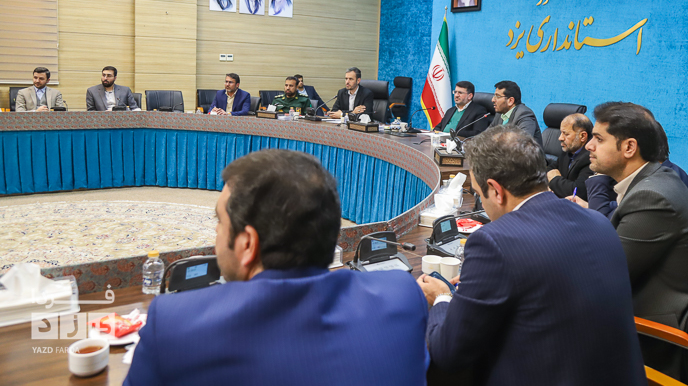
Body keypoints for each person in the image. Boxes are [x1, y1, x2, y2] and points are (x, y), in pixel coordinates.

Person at [124, 149, 428, 386]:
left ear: (247, 245)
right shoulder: (401, 295)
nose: (216, 231)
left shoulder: (173, 324)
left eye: (219, 221)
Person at [417, 126, 646, 386]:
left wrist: (442, 297)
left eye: (479, 195)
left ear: (496, 190)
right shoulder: (598, 221)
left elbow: (449, 354)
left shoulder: (493, 242)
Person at [585, 102, 688, 333]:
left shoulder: (652, 197)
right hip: (644, 295)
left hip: (651, 327)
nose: (588, 145)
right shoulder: (654, 178)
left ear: (629, 147)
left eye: (599, 139)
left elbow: (604, 276)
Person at [546, 113, 593, 201]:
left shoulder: (591, 157)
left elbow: (577, 192)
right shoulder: (569, 149)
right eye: (561, 133)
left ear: (583, 136)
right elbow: (550, 169)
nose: (560, 138)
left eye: (566, 134)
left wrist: (554, 180)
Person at [488, 80, 543, 147]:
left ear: (510, 101)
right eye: (494, 96)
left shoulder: (524, 114)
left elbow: (522, 143)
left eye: (498, 96)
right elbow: (487, 135)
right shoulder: (500, 114)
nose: (493, 100)